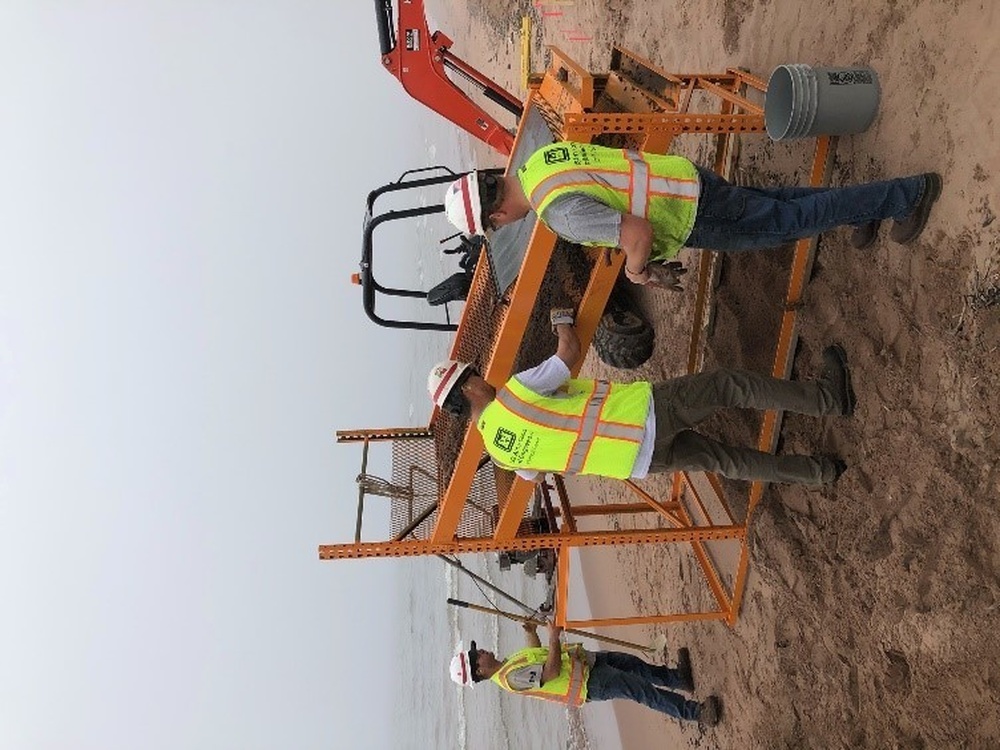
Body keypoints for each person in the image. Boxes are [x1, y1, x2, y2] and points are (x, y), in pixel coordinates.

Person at [427, 308, 855, 485]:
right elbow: (569, 354)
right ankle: (828, 400)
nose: (483, 375)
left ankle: (820, 473)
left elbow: (538, 473)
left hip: (637, 462)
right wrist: (560, 318)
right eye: (475, 374)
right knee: (728, 386)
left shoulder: (502, 455)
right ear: (468, 387)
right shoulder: (515, 394)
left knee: (727, 461)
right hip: (644, 415)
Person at [442, 140, 942, 290]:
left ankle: (903, 196)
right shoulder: (540, 162)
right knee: (783, 203)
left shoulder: (557, 213)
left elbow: (635, 232)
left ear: (496, 212)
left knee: (787, 222)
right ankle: (862, 213)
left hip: (688, 214)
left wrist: (638, 272)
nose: (502, 228)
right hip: (683, 178)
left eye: (494, 226)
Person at [449, 620, 723, 727]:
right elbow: (551, 671)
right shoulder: (509, 678)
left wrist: (532, 634)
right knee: (641, 690)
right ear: (478, 669)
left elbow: (536, 655)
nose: (482, 650)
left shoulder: (508, 664)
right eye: (477, 654)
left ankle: (678, 679)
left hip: (585, 664)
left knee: (632, 663)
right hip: (588, 684)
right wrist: (554, 637)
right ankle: (696, 713)